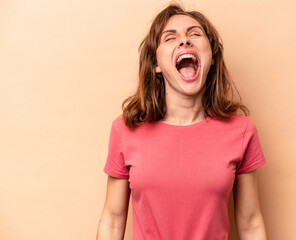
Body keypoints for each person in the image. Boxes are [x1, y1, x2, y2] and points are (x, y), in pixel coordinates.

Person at [96, 3, 267, 240]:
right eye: (170, 38)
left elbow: (250, 222)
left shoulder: (242, 130)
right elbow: (113, 220)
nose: (185, 41)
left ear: (212, 57)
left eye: (195, 34)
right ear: (156, 64)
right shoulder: (125, 130)